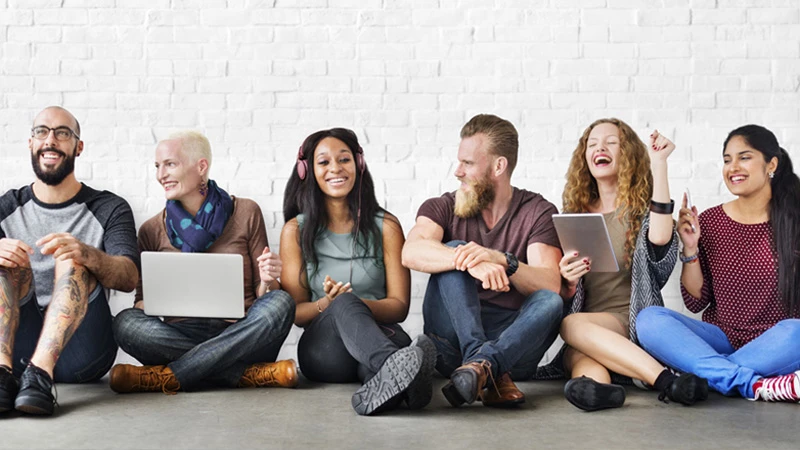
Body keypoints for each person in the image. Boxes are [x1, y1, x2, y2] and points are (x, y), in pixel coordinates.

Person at [539, 118, 708, 412]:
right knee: (584, 366)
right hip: (585, 331)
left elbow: (660, 238)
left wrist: (660, 163)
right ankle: (607, 393)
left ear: (627, 154)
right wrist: (566, 278)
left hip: (625, 321)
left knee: (570, 325)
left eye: (611, 143)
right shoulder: (574, 214)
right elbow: (565, 291)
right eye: (592, 144)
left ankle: (665, 382)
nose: (599, 148)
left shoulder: (642, 212)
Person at [110, 131, 297, 394]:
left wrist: (268, 281)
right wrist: (152, 300)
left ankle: (170, 375)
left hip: (242, 331)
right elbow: (140, 303)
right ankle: (245, 374)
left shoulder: (246, 212)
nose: (160, 174)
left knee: (281, 303)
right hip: (179, 334)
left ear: (201, 167)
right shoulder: (151, 230)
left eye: (170, 164)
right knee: (125, 323)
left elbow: (264, 296)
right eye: (157, 166)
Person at [402, 114, 564, 408]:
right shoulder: (444, 206)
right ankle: (486, 364)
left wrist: (501, 260)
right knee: (454, 248)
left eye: (468, 163)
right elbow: (411, 251)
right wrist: (468, 260)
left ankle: (481, 367)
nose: (457, 171)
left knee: (551, 302)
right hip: (451, 345)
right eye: (459, 161)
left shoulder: (537, 211)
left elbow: (551, 283)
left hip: (515, 349)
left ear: (498, 166)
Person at [637, 124, 800, 402]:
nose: (733, 167)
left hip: (777, 341)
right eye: (727, 160)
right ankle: (753, 384)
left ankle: (703, 373)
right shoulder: (711, 221)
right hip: (720, 337)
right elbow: (696, 303)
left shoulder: (794, 219)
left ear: (771, 163)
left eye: (744, 157)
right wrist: (690, 248)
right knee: (649, 319)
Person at [280, 128, 435, 416]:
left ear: (358, 165)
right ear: (307, 171)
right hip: (324, 351)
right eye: (324, 162)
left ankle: (390, 384)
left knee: (376, 356)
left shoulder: (386, 226)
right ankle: (398, 367)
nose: (335, 169)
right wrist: (331, 304)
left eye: (344, 160)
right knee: (345, 304)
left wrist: (357, 308)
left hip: (379, 334)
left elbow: (399, 307)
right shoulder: (295, 231)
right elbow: (295, 313)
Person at [0, 106, 139, 415]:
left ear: (78, 146)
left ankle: (41, 374)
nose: (51, 140)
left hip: (83, 353)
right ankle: (1, 375)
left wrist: (86, 253)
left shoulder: (110, 207)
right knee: (3, 260)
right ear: (31, 143)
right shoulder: (6, 207)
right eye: (42, 132)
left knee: (73, 257)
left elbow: (130, 278)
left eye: (63, 133)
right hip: (14, 349)